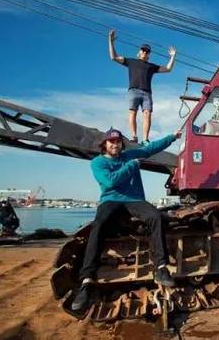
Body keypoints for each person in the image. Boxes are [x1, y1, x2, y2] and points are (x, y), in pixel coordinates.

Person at [71, 127, 181, 311]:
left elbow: (151, 148)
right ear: (105, 144)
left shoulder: (130, 155)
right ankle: (87, 281)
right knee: (98, 225)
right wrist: (132, 165)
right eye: (111, 141)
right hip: (111, 199)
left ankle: (161, 268)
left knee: (155, 217)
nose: (115, 144)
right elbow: (111, 182)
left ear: (121, 144)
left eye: (118, 141)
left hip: (135, 200)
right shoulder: (97, 162)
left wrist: (172, 137)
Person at [109, 29, 177, 144]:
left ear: (149, 54)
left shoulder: (151, 66)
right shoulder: (131, 61)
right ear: (139, 52)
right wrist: (110, 41)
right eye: (143, 50)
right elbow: (113, 57)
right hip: (133, 91)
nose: (145, 52)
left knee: (147, 113)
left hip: (147, 93)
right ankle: (134, 137)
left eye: (147, 51)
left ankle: (145, 139)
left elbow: (168, 69)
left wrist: (173, 56)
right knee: (133, 112)